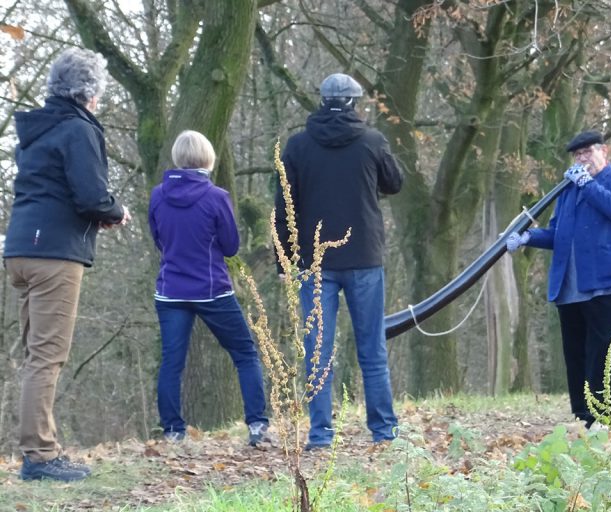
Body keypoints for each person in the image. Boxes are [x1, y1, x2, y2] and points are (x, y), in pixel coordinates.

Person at [3, 48, 131, 481]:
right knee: (47, 358)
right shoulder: (77, 129)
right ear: (89, 91)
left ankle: (40, 449)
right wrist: (116, 212)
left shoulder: (37, 130)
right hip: (54, 255)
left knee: (35, 356)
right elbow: (91, 195)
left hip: (20, 249)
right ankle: (39, 457)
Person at [275, 73, 403, 450]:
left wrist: (285, 261)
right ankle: (384, 431)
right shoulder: (372, 141)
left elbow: (284, 208)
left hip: (314, 263)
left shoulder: (297, 147)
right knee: (372, 351)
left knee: (318, 353)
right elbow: (395, 182)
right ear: (354, 102)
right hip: (364, 256)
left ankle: (320, 435)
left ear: (322, 100)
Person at [506, 130, 611, 429]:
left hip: (606, 283)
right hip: (569, 286)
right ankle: (582, 416)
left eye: (587, 152)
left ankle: (602, 417)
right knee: (575, 352)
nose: (582, 159)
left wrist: (587, 183)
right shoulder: (568, 191)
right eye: (577, 155)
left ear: (604, 151)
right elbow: (557, 234)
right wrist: (527, 237)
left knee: (600, 352)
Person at [148, 130, 269, 446]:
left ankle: (173, 431)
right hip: (211, 289)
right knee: (244, 353)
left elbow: (159, 239)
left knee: (172, 363)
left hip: (171, 289)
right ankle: (257, 425)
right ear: (207, 158)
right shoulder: (216, 197)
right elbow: (230, 247)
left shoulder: (158, 195)